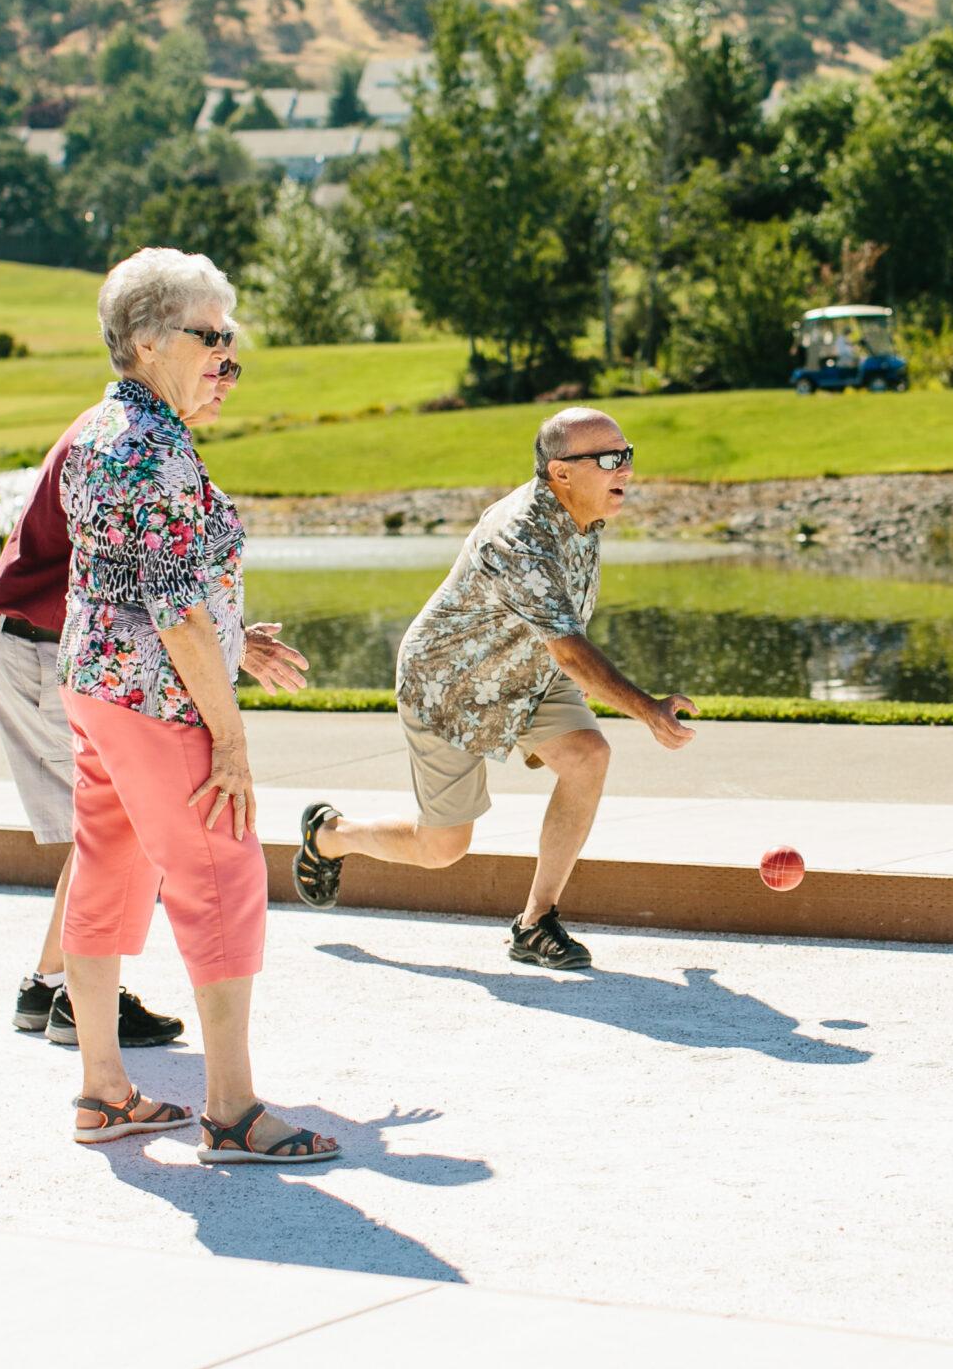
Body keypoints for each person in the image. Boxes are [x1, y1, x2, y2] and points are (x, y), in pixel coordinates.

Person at [56, 248, 335, 1164]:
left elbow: (127, 577)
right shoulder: (158, 452)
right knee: (221, 876)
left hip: (95, 682)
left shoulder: (97, 431)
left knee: (107, 868)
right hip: (155, 697)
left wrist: (236, 640)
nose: (226, 359)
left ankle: (102, 1090)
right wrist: (231, 734)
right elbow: (172, 607)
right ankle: (232, 1110)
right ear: (144, 340)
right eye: (208, 337)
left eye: (232, 343)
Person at [293, 407, 696, 970]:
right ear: (560, 472)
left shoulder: (582, 510)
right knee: (443, 848)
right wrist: (648, 710)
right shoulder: (519, 538)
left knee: (587, 756)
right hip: (450, 687)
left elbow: (558, 645)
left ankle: (535, 923)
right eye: (607, 459)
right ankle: (331, 835)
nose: (623, 469)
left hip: (527, 674)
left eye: (626, 455)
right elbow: (570, 650)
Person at [0, 350, 299, 1047]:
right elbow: (155, 596)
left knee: (112, 833)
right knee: (121, 834)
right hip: (38, 640)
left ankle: (55, 994)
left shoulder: (118, 427)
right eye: (217, 358)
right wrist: (228, 725)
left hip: (64, 648)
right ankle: (68, 995)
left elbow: (147, 578)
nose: (227, 380)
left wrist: (232, 637)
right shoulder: (141, 445)